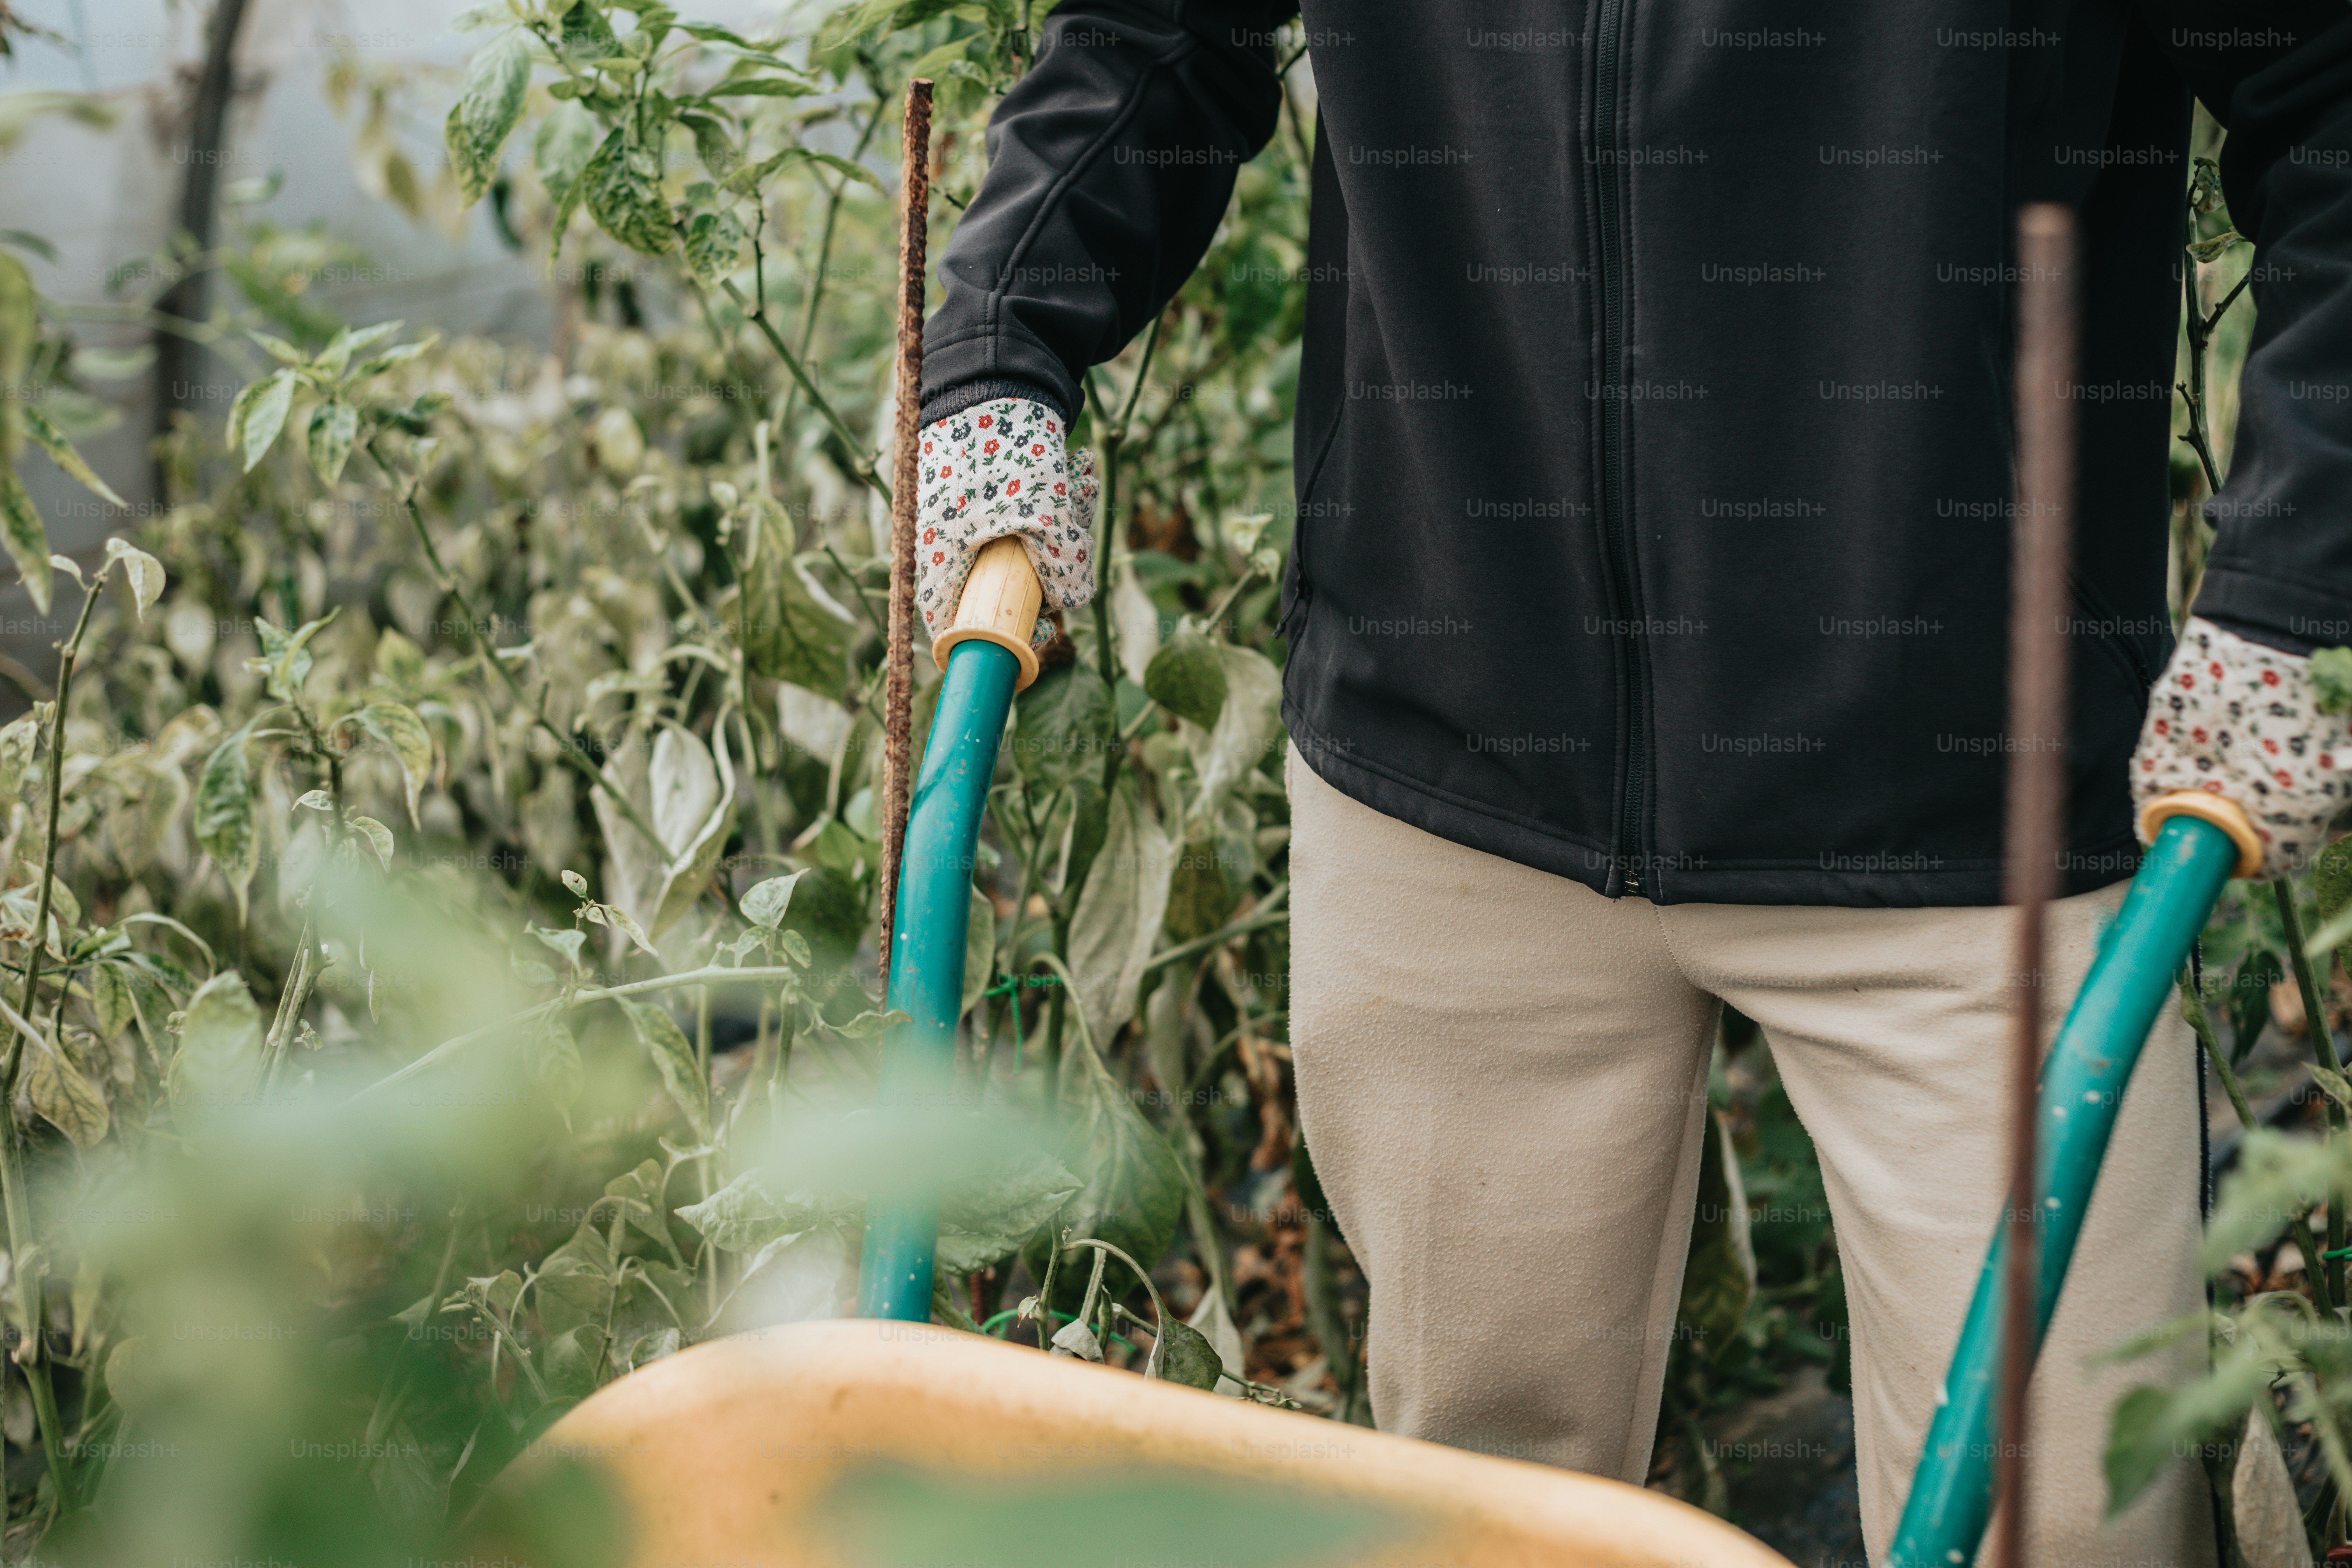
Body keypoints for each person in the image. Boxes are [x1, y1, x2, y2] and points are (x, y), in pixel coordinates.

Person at [910, 5, 2352, 1560]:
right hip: (1454, 771)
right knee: (1481, 1503)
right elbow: (1159, 32)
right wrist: (1005, 340)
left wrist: (2291, 591)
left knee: (2065, 1519)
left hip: (1964, 804)